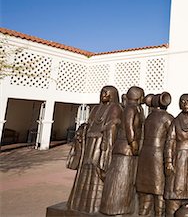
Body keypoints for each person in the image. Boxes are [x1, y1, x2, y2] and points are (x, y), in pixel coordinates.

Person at [66, 86, 122, 214]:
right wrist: (83, 129)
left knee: (97, 172)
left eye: (106, 93)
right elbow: (90, 124)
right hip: (89, 144)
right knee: (85, 171)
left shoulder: (115, 108)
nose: (103, 95)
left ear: (112, 95)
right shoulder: (96, 108)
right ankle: (79, 204)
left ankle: (95, 206)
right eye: (102, 92)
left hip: (101, 144)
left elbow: (113, 126)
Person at [100, 86, 145, 215]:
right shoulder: (131, 109)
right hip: (125, 149)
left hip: (129, 150)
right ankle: (115, 207)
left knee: (127, 180)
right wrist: (133, 142)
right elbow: (128, 125)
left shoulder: (137, 108)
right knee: (120, 179)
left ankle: (124, 207)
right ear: (137, 96)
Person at [136, 92, 174, 216]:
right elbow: (172, 139)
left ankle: (143, 212)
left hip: (145, 154)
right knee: (159, 189)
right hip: (158, 155)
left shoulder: (148, 118)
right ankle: (158, 214)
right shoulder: (167, 118)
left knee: (146, 189)